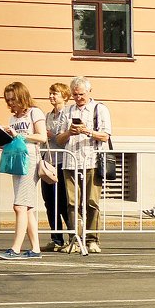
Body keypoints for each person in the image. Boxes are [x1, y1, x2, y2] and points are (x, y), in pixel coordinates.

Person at [56, 77, 111, 254]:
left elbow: (105, 136)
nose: (78, 98)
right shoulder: (67, 111)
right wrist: (69, 132)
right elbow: (58, 139)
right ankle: (74, 238)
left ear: (89, 92)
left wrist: (87, 130)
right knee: (72, 203)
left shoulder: (99, 109)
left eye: (81, 94)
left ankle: (92, 240)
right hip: (70, 162)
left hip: (91, 161)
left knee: (91, 202)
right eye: (75, 94)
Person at [0, 82, 47, 259]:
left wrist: (20, 135)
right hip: (17, 160)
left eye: (13, 99)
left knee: (20, 206)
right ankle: (36, 249)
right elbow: (13, 142)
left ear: (21, 96)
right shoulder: (13, 118)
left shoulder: (34, 112)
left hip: (30, 159)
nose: (10, 103)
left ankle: (16, 248)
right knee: (28, 207)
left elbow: (42, 137)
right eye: (7, 100)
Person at [40, 82, 72, 251]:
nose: (52, 96)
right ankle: (56, 238)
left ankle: (72, 237)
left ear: (64, 96)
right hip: (48, 162)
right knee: (49, 201)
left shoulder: (67, 114)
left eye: (55, 93)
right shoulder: (47, 115)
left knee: (63, 202)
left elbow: (65, 138)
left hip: (62, 162)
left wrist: (51, 135)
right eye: (50, 93)